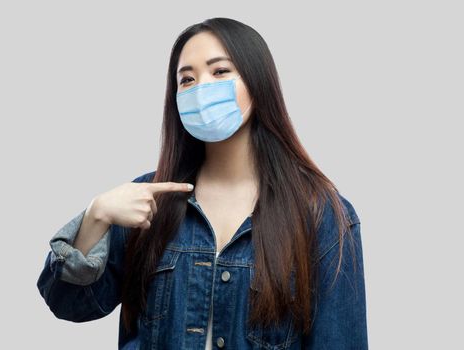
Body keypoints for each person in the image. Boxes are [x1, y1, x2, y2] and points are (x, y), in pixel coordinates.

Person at [37, 17, 368, 349]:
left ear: (257, 81)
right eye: (187, 80)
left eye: (220, 72)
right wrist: (96, 216)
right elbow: (69, 305)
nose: (201, 89)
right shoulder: (147, 202)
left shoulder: (320, 213)